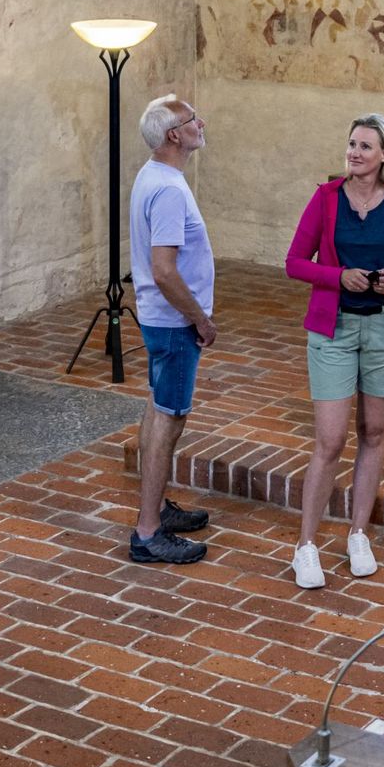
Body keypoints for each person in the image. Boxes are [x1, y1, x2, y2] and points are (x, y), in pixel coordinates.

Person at [282, 113, 384, 588]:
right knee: (330, 440)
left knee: (374, 431)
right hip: (335, 331)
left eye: (366, 146)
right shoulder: (326, 199)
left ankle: (358, 534)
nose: (355, 153)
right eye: (351, 144)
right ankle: (305, 546)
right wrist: (336, 276)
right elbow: (294, 262)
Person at [126, 94, 216, 566]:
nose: (201, 123)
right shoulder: (168, 190)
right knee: (169, 418)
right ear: (173, 135)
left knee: (157, 408)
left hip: (163, 320)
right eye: (191, 119)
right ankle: (147, 533)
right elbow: (164, 270)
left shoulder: (154, 176)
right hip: (175, 322)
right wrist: (199, 317)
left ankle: (156, 506)